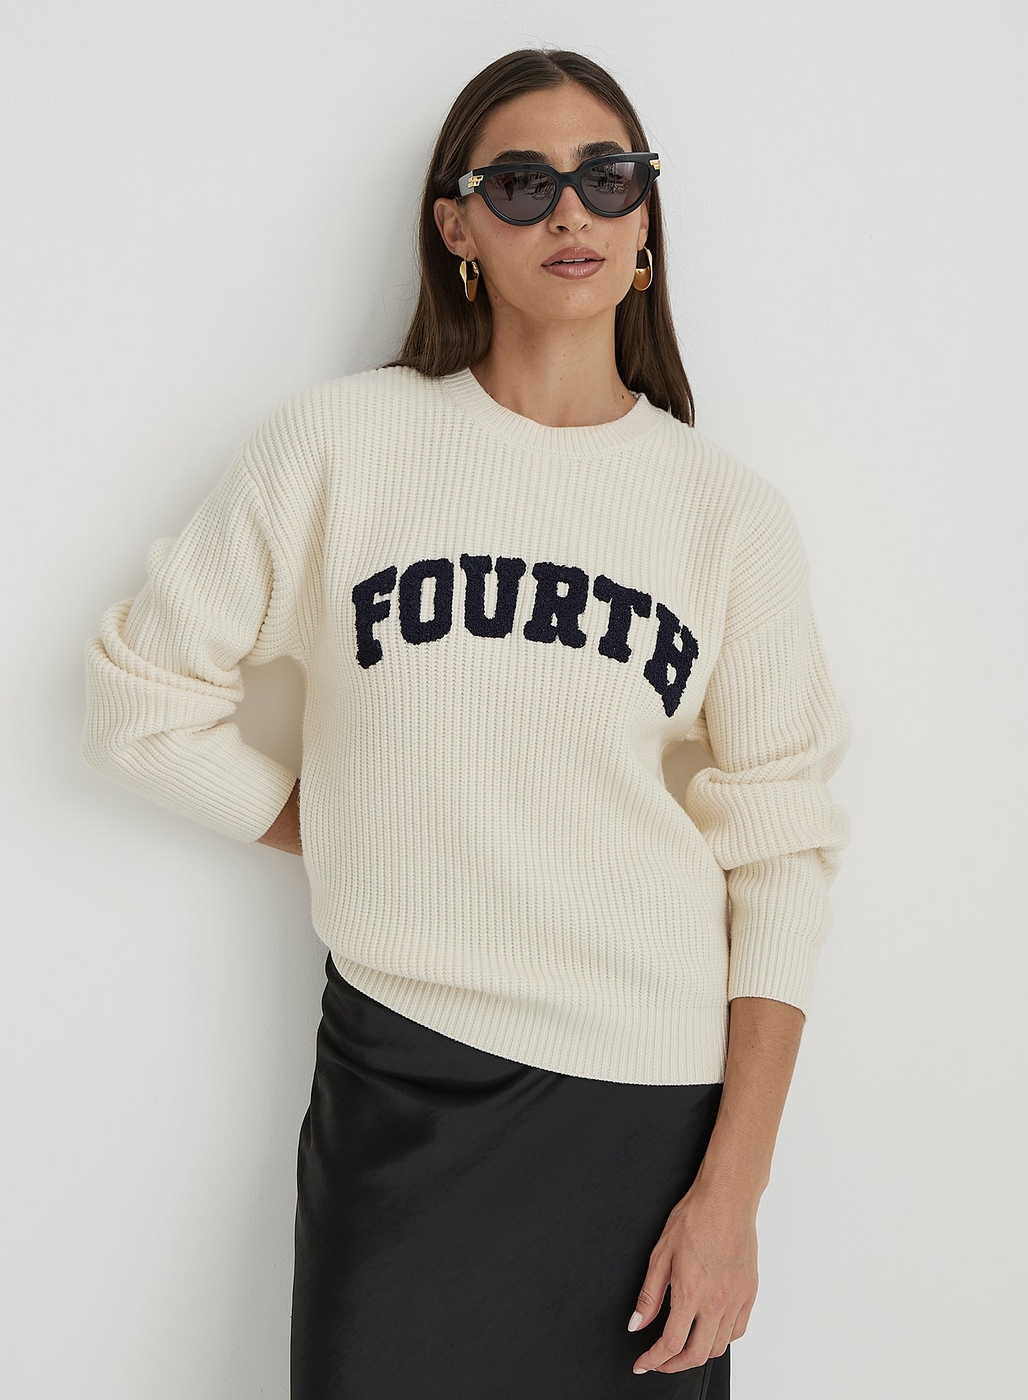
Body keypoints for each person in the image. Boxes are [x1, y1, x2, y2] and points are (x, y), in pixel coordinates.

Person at [81, 46, 852, 1400]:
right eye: (522, 184)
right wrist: (354, 825)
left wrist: (733, 1193)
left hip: (646, 1107)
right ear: (457, 226)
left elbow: (783, 850)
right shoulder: (340, 446)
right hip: (401, 1080)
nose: (573, 211)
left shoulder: (725, 515)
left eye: (608, 177)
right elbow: (138, 702)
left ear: (646, 215)